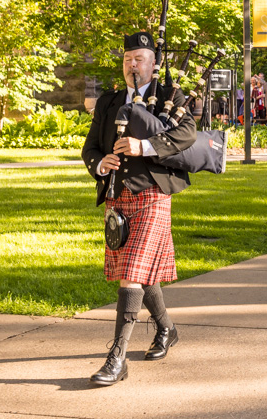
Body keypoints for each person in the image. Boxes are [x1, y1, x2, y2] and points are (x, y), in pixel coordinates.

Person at [82, 31, 197, 386]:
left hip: (152, 192)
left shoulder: (170, 96)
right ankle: (167, 329)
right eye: (128, 59)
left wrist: (144, 146)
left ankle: (116, 358)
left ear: (153, 64)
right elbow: (90, 147)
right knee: (142, 273)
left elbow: (187, 134)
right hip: (118, 197)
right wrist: (101, 164)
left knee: (131, 271)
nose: (133, 65)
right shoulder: (109, 101)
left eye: (140, 59)